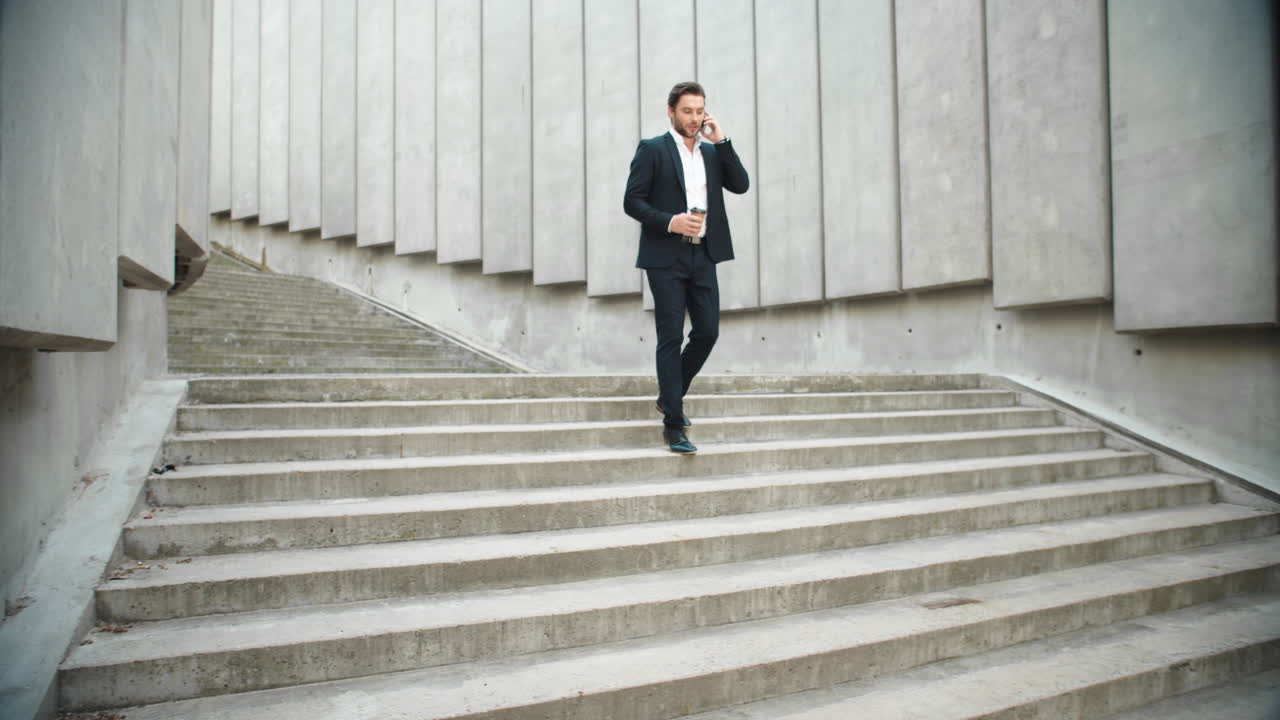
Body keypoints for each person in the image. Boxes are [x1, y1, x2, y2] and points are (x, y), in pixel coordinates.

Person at [623, 81, 751, 454]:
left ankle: (669, 395)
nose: (694, 118)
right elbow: (632, 201)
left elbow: (741, 184)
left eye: (699, 111)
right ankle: (674, 425)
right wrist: (670, 221)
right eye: (687, 111)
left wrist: (722, 141)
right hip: (665, 257)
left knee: (707, 331)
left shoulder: (712, 152)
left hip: (704, 255)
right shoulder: (652, 149)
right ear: (671, 111)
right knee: (670, 337)